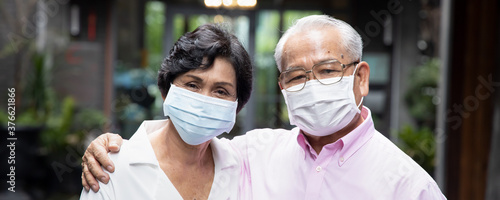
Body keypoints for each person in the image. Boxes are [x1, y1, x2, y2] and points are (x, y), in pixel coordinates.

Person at [82, 15, 446, 199]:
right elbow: (180, 146)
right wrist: (109, 146)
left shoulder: (407, 186)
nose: (313, 86)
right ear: (282, 86)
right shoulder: (251, 154)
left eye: (327, 70)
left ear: (360, 77)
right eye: (297, 76)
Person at [80, 23, 253, 200]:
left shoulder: (245, 169)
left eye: (221, 91)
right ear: (166, 91)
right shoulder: (111, 168)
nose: (204, 100)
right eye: (192, 85)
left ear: (237, 106)